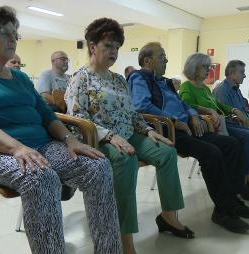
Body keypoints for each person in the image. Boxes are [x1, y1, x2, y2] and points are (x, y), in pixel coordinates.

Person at [0, 6, 121, 253]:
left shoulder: (19, 78)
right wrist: (17, 147)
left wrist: (70, 140)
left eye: (15, 33)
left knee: (98, 167)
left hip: (40, 146)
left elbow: (46, 114)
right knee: (41, 177)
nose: (13, 39)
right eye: (4, 32)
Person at [65, 18, 192, 254]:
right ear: (92, 46)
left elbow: (132, 113)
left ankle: (168, 216)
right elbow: (77, 119)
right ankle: (125, 240)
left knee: (167, 152)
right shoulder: (80, 78)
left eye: (116, 47)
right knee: (126, 159)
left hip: (129, 134)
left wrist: (149, 130)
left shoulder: (119, 79)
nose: (113, 52)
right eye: (108, 46)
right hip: (98, 138)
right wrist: (111, 136)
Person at [129, 42, 249, 235]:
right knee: (212, 153)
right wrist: (173, 120)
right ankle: (223, 211)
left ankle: (232, 201)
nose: (166, 59)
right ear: (147, 60)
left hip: (187, 126)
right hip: (167, 131)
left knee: (233, 145)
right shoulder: (139, 77)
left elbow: (183, 103)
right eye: (162, 56)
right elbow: (141, 106)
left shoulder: (165, 82)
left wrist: (191, 115)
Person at [179, 53, 249, 202]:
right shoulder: (187, 86)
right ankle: (241, 183)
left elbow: (218, 105)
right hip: (209, 126)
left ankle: (247, 180)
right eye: (205, 67)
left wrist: (234, 110)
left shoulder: (205, 88)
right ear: (194, 67)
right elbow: (187, 105)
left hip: (221, 122)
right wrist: (209, 110)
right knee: (248, 137)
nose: (209, 70)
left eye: (209, 67)